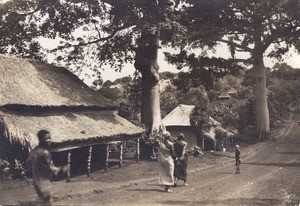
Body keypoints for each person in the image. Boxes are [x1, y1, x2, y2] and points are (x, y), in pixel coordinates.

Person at [27, 129, 68, 205]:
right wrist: (62, 168)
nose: (49, 140)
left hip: (36, 182)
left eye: (49, 138)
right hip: (45, 183)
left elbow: (28, 166)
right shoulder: (45, 152)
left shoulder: (33, 151)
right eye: (46, 139)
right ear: (41, 140)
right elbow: (51, 168)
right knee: (48, 202)